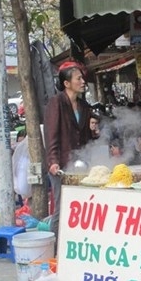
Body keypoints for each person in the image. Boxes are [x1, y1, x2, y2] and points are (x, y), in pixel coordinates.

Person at [44, 61, 93, 246]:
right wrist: (53, 162)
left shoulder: (84, 106)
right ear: (67, 83)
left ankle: (75, 245)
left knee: (80, 207)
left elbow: (86, 138)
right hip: (61, 165)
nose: (83, 81)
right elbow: (52, 135)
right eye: (78, 78)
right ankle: (55, 249)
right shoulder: (57, 102)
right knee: (61, 207)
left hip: (81, 165)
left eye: (82, 78)